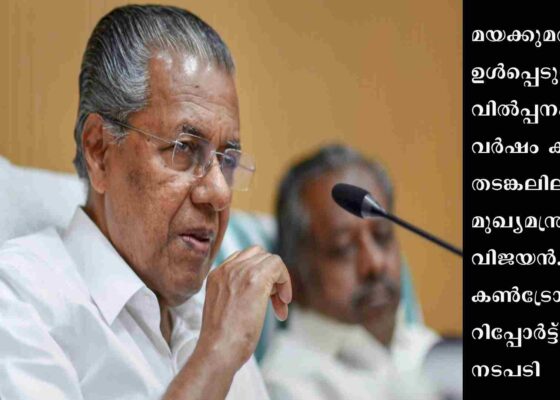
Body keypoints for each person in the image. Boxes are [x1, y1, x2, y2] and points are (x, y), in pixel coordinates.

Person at [0, 5, 292, 399]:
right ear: (99, 150)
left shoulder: (214, 312)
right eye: (184, 149)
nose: (220, 193)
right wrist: (216, 355)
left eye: (228, 161)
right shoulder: (21, 300)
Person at [261, 144, 440, 400]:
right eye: (343, 249)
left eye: (382, 236)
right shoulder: (288, 386)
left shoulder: (432, 353)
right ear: (293, 277)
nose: (375, 263)